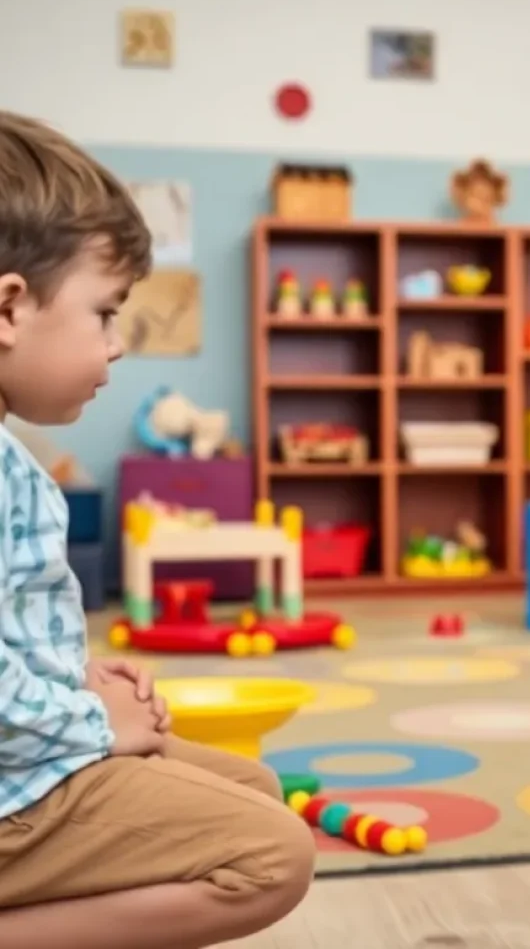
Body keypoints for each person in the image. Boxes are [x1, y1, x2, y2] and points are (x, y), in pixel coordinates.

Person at [0, 110, 316, 948]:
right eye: (104, 314)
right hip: (14, 790)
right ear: (8, 308)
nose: (116, 346)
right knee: (271, 856)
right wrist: (96, 726)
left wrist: (69, 673)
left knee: (256, 789)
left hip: (28, 755)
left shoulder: (9, 453)